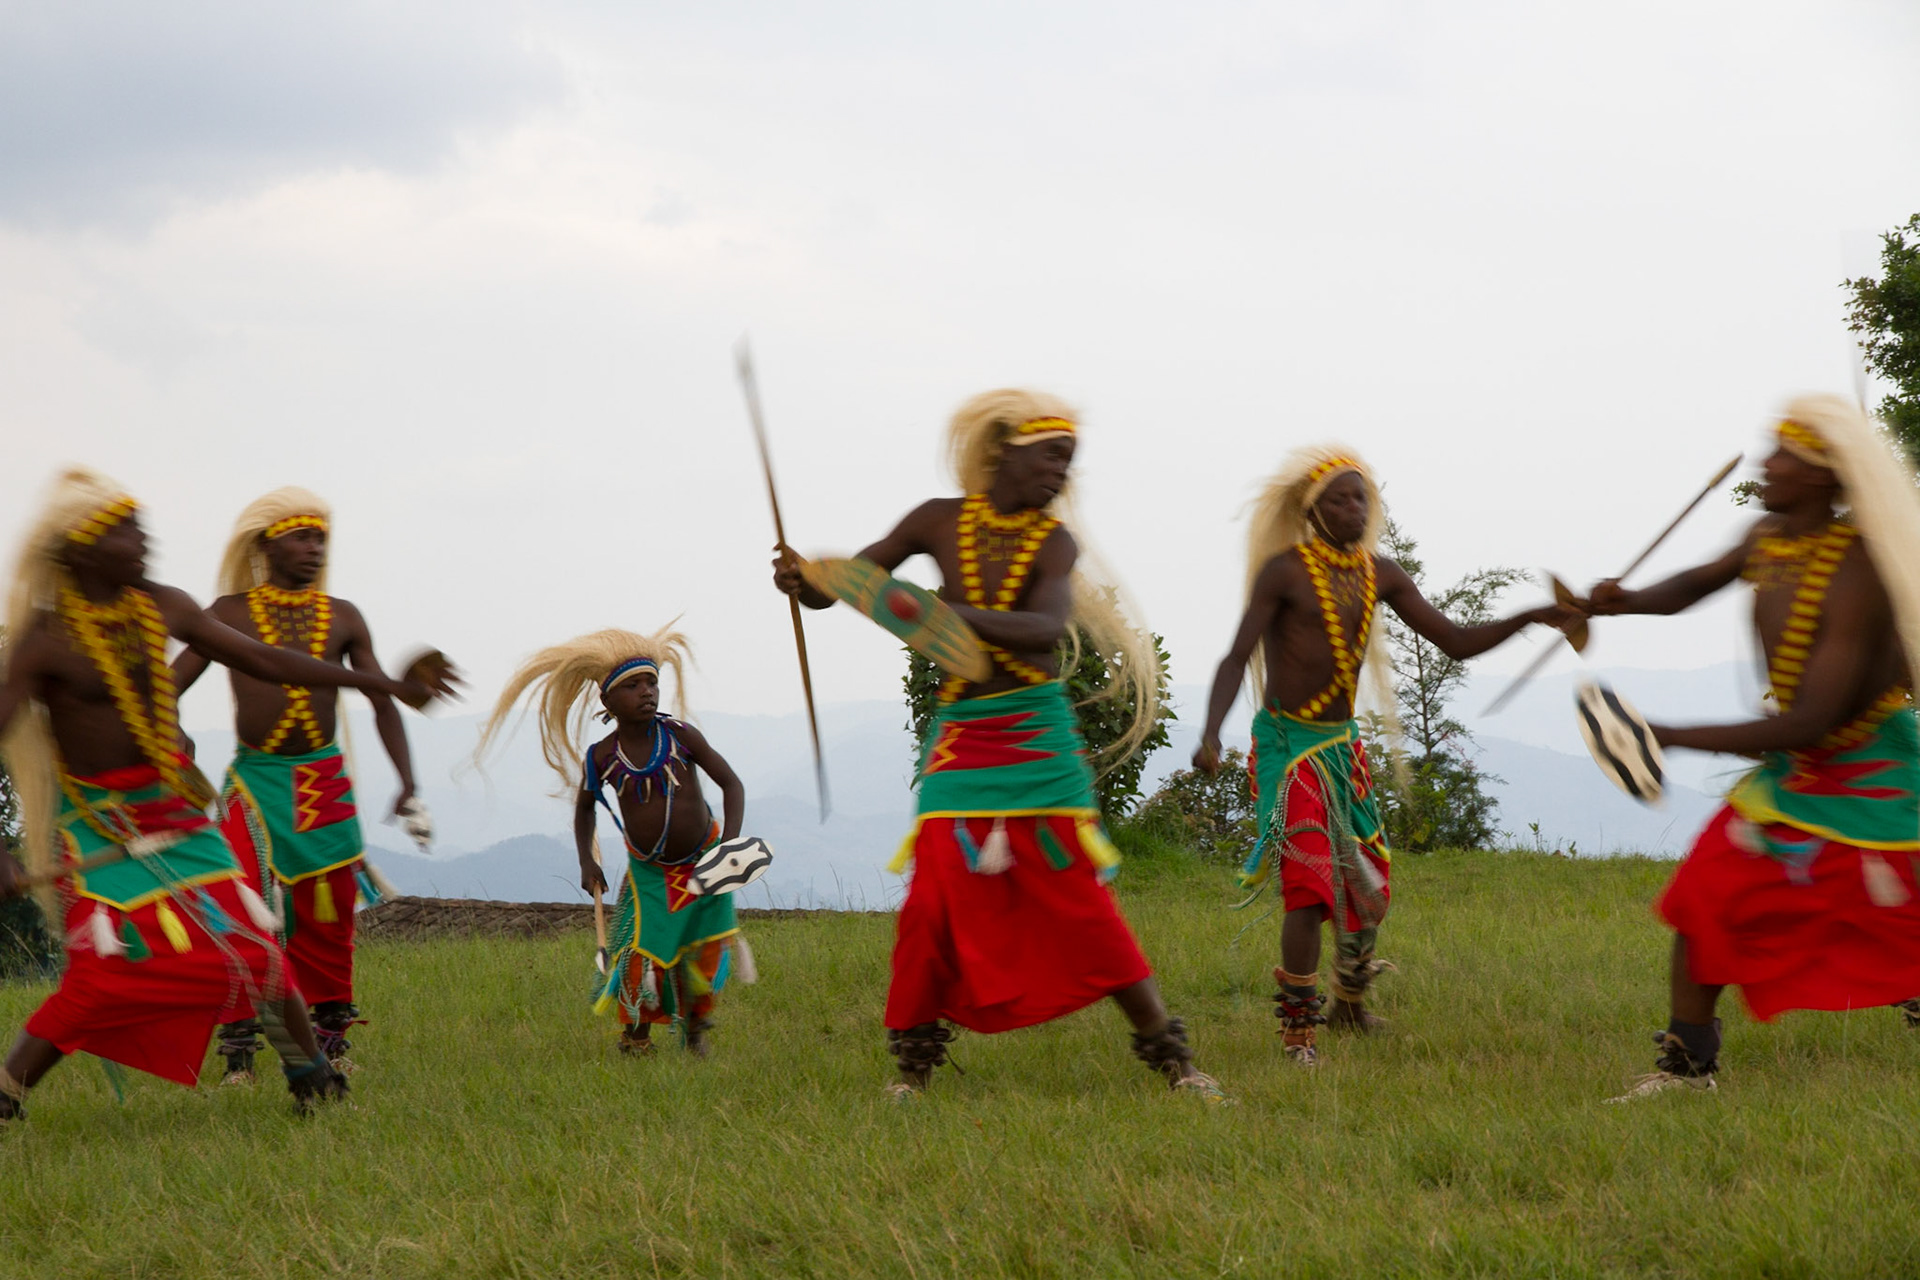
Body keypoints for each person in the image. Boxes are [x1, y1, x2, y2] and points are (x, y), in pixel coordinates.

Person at [774, 389, 1223, 1099]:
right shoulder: (936, 520)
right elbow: (857, 585)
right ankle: (913, 1074)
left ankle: (1176, 1063)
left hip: (1039, 738)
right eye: (1050, 456)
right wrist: (806, 582)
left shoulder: (1054, 542)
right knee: (931, 902)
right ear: (1001, 454)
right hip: (960, 741)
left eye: (1068, 463)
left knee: (1079, 897)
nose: (1060, 474)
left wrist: (944, 611)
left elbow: (1044, 629)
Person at [0, 469, 455, 1119]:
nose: (144, 542)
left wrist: (383, 688)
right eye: (126, 532)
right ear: (79, 550)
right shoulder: (44, 641)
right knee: (103, 976)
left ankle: (314, 1081)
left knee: (253, 948)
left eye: (143, 527)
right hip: (97, 822)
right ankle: (6, 1095)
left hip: (177, 815)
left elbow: (266, 660)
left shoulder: (166, 604)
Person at [1583, 398, 1920, 1099]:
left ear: (1825, 477)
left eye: (1784, 455)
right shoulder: (1766, 536)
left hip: (1870, 769)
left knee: (1891, 914)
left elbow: (1813, 720)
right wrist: (1626, 600)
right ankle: (1688, 1066)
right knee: (1706, 892)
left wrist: (1667, 736)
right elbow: (1693, 586)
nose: (1766, 464)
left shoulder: (1857, 570)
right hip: (1800, 768)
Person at [1192, 447, 1570, 1065]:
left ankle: (1348, 1006)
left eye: (1361, 497)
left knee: (1364, 887)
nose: (1354, 508)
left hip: (1342, 749)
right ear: (1311, 511)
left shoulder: (1381, 574)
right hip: (1289, 751)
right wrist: (1211, 734)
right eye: (1340, 498)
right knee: (1310, 891)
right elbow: (1237, 657)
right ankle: (1298, 1035)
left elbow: (1454, 641)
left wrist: (1531, 616)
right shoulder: (1283, 572)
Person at [173, 488, 428, 1082]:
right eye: (302, 537)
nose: (315, 548)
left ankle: (330, 1037)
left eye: (321, 539)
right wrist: (176, 738)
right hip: (256, 782)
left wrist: (407, 780)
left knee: (328, 912)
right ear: (267, 544)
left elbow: (380, 698)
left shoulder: (343, 615)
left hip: (322, 782)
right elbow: (168, 685)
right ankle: (240, 1050)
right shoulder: (227, 614)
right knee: (239, 905)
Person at [476, 625, 752, 1056]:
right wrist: (587, 862)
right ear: (606, 701)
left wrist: (729, 848)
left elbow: (732, 785)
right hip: (650, 873)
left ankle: (695, 1030)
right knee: (642, 953)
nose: (647, 692)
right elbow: (584, 809)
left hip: (704, 862)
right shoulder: (602, 756)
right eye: (633, 686)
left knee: (701, 948)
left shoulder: (681, 736)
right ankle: (636, 1040)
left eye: (652, 683)